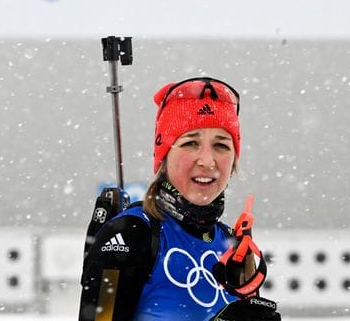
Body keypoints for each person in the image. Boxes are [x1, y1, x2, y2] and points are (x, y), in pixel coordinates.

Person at [78, 77, 281, 321]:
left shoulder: (232, 243)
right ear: (164, 155)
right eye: (191, 143)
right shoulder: (129, 233)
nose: (207, 160)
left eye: (221, 145)